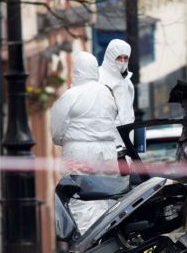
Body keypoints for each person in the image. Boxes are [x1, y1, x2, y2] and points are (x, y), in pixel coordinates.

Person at [50, 51, 119, 234]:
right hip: (107, 151)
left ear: (77, 71)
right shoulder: (106, 94)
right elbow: (113, 118)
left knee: (80, 199)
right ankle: (108, 238)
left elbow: (56, 132)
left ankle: (88, 242)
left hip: (79, 150)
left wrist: (68, 140)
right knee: (107, 198)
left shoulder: (71, 95)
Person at [98, 39, 136, 149]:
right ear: (111, 57)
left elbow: (129, 114)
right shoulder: (100, 77)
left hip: (127, 141)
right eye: (119, 57)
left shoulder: (127, 82)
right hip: (107, 142)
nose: (122, 62)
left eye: (126, 58)